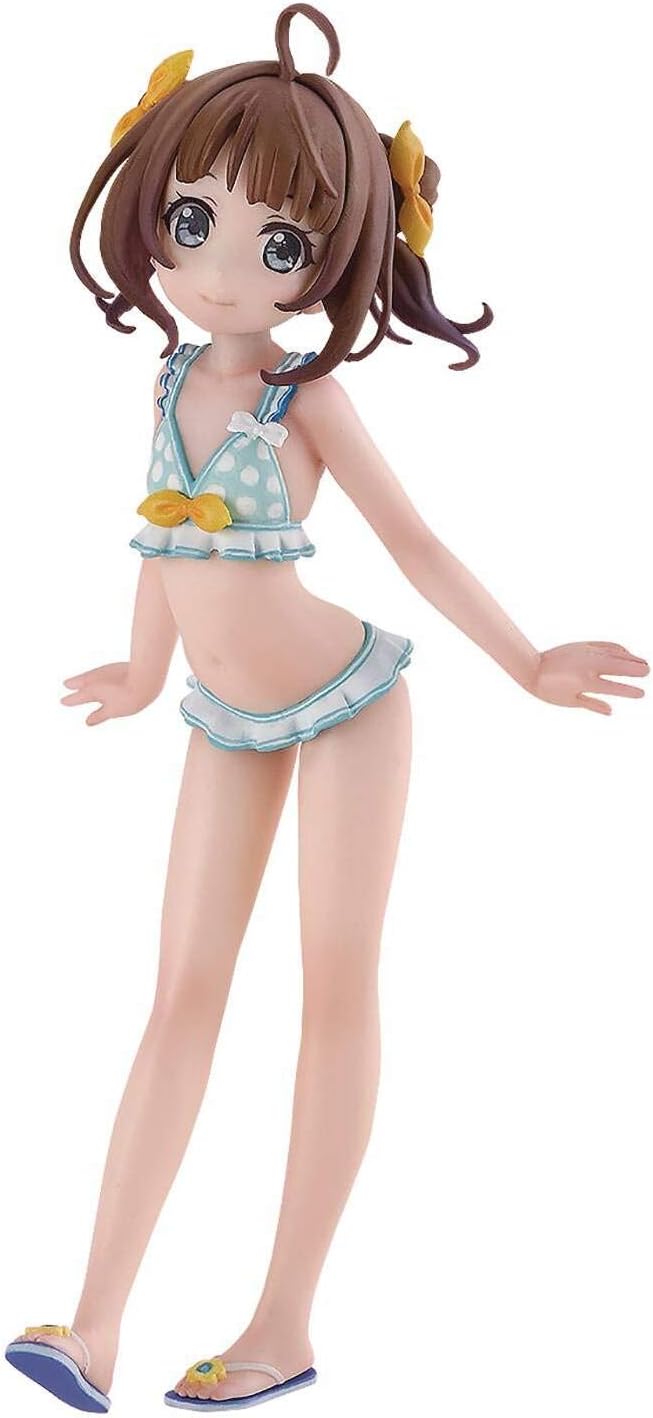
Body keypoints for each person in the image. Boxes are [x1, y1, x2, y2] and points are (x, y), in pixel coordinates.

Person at [5, 5, 648, 1412]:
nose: (223, 269)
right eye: (194, 221)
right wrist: (143, 670)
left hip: (346, 700)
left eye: (279, 244)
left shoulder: (308, 394)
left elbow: (413, 542)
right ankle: (93, 1325)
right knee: (180, 991)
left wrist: (527, 660)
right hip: (222, 718)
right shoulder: (172, 374)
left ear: (334, 258)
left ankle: (282, 1321)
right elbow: (168, 541)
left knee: (332, 985)